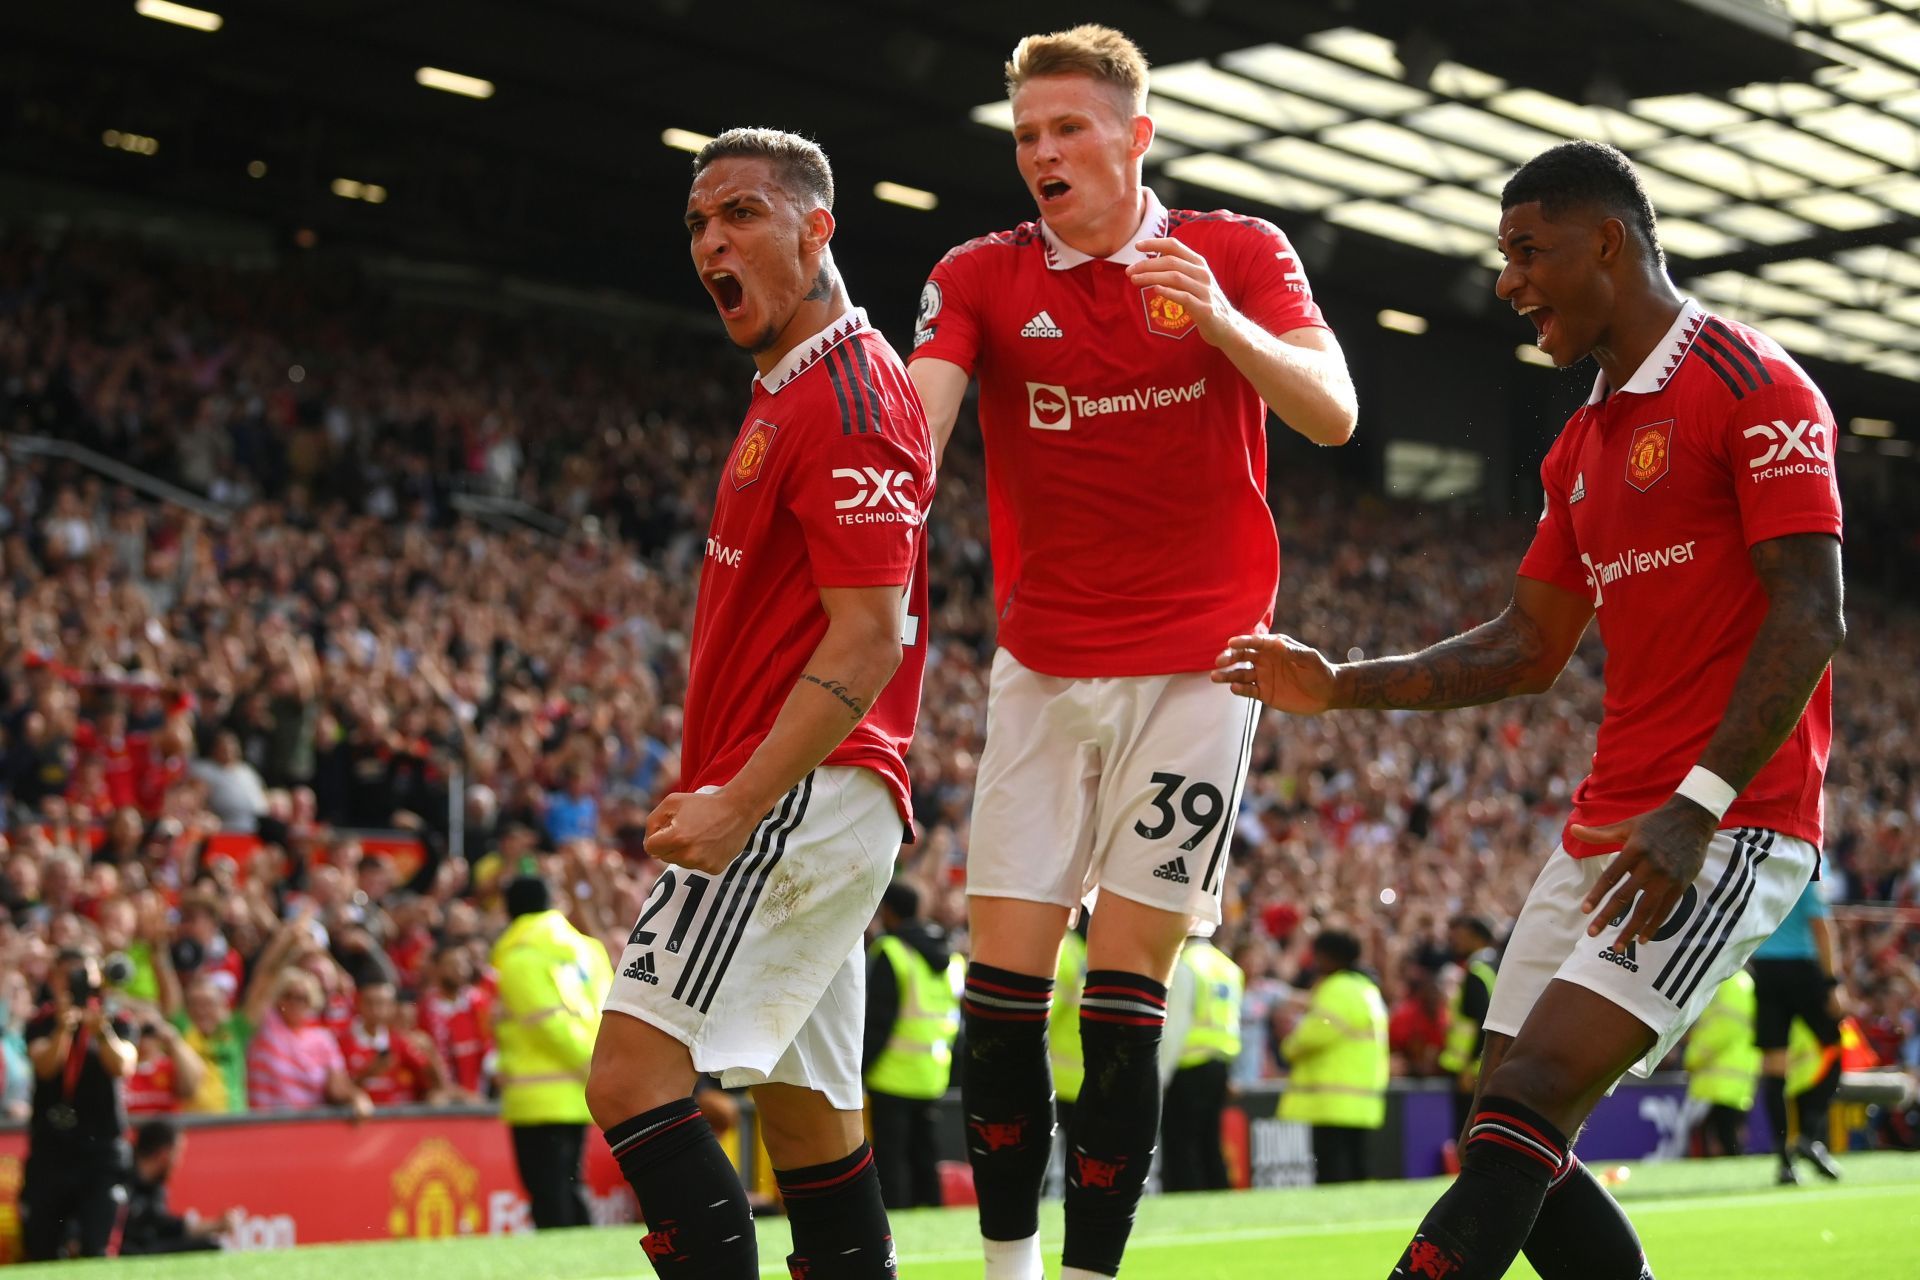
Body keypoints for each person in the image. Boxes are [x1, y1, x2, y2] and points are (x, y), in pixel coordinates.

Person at [1216, 140, 1845, 1280]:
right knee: (1505, 1118)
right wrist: (1339, 684)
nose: (1507, 283)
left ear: (1606, 241)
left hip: (1730, 818)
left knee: (1535, 1094)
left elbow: (1813, 613)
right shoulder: (1581, 445)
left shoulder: (1753, 384)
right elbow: (1526, 645)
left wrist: (1697, 806)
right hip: (1609, 823)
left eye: (1526, 251)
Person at [906, 25, 1355, 1280]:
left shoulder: (1235, 252)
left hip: (1203, 671)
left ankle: (1093, 1275)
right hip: (1043, 668)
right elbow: (918, 422)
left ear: (1136, 134)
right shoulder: (982, 274)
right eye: (1027, 136)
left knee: (1121, 1005)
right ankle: (1009, 1268)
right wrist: (876, 460)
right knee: (997, 1006)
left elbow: (1332, 409)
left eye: (1068, 129)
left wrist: (1217, 323)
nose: (1042, 154)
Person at [584, 126, 931, 1280]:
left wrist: (738, 799)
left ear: (816, 226)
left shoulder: (851, 392)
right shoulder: (791, 387)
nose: (710, 240)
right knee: (809, 1122)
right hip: (808, 796)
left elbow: (873, 635)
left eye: (739, 213)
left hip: (800, 792)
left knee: (632, 1074)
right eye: (697, 222)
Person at [493, 874, 611, 1229]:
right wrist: (598, 1066)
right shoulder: (589, 951)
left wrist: (587, 1064)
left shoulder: (519, 960)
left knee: (548, 1193)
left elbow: (546, 1024)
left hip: (536, 1095)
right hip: (578, 1092)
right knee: (569, 1187)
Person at [20, 950, 136, 1260]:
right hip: (51, 1152)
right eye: (68, 976)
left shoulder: (115, 1019)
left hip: (100, 1154)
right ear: (55, 979)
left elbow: (123, 1064)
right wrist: (64, 1028)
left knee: (96, 1248)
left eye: (82, 975)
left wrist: (101, 1031)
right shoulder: (42, 1021)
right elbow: (45, 1067)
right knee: (41, 1249)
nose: (76, 984)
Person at [862, 880, 963, 1210]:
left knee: (892, 1162)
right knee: (926, 1156)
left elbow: (878, 1022)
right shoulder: (949, 956)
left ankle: (898, 1220)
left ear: (888, 911)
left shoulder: (891, 951)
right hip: (932, 1072)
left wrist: (860, 1069)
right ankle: (933, 1216)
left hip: (891, 1074)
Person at [1750, 879, 1846, 1182]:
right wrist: (1832, 984)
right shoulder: (1811, 863)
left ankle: (1784, 1160)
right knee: (1835, 1049)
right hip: (1802, 969)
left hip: (1765, 970)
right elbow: (1820, 924)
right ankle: (1807, 1134)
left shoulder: (1763, 862)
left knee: (1775, 1068)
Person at [1276, 930, 1388, 1184]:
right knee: (1357, 1170)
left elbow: (1311, 1037)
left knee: (1333, 1174)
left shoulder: (1337, 989)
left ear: (1326, 956)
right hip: (1361, 1100)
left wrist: (1287, 1044)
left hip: (1332, 1102)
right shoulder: (1368, 990)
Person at [1159, 933, 1245, 1192]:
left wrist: (1161, 1074)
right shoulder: (1228, 968)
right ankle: (1219, 1194)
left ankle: (1186, 1195)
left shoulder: (1186, 965)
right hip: (1220, 1063)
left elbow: (1175, 1026)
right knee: (1210, 1140)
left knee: (1182, 1144)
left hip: (1188, 1064)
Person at [121, 1118, 238, 1255]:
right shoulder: (118, 1176)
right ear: (164, 1154)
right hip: (124, 1250)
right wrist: (215, 1225)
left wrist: (214, 1226)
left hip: (146, 1246)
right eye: (177, 1153)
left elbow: (163, 1225)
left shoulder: (156, 1186)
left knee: (210, 1246)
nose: (179, 1161)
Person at [1684, 972, 1760, 1157]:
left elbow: (1723, 1028)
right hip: (1733, 1078)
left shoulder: (1730, 982)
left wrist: (1693, 1056)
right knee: (1729, 1139)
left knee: (1721, 1142)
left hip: (1719, 1080)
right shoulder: (1741, 982)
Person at [1438, 916, 1499, 1134]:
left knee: (1468, 1132)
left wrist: (1470, 1064)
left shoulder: (1476, 970)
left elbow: (1481, 1020)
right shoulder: (1497, 965)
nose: (1455, 942)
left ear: (1477, 938)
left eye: (1461, 937)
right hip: (1494, 1062)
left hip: (1472, 1069)